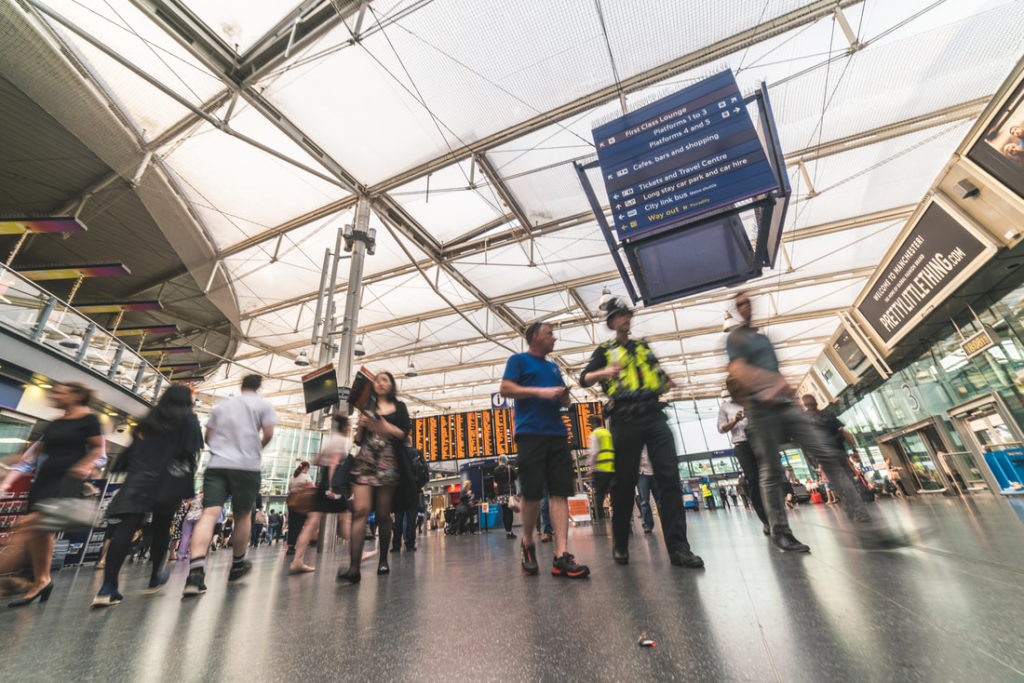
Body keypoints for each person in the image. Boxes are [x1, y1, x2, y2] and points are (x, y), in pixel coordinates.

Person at [727, 292, 901, 551]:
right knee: (771, 472)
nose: (746, 306)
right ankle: (780, 532)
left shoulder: (763, 338)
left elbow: (774, 370)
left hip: (786, 406)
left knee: (829, 456)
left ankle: (866, 524)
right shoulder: (736, 338)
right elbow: (739, 371)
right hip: (761, 410)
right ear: (737, 310)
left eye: (748, 301)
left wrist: (787, 391)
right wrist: (771, 384)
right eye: (740, 304)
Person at [581, 298, 703, 569]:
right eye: (621, 315)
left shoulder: (642, 347)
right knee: (624, 483)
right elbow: (584, 378)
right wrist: (604, 371)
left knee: (669, 478)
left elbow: (657, 374)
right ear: (612, 322)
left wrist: (668, 382)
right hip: (625, 419)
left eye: (628, 314)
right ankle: (621, 543)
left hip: (654, 415)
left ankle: (679, 548)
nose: (627, 318)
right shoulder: (605, 350)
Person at [91, 384, 203, 606]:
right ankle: (155, 577)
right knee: (162, 528)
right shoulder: (188, 419)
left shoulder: (150, 419)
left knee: (126, 528)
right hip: (167, 482)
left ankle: (108, 587)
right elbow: (192, 449)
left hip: (138, 479)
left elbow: (133, 450)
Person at [0, 382, 105, 607]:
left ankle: (15, 580)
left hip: (64, 483)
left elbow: (98, 450)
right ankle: (42, 581)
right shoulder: (56, 423)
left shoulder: (89, 420)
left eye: (60, 392)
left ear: (76, 396)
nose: (54, 395)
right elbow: (33, 453)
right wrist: (9, 478)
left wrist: (85, 465)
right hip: (44, 481)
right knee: (42, 535)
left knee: (25, 527)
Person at [501, 321, 590, 579]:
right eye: (550, 333)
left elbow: (563, 399)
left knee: (560, 492)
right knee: (531, 493)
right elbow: (505, 389)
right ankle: (527, 542)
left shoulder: (553, 367)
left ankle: (561, 556)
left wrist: (563, 397)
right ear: (536, 337)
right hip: (530, 433)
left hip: (557, 434)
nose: (555, 338)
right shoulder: (518, 361)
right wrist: (541, 392)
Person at [183, 374, 277, 596]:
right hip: (246, 466)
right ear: (258, 386)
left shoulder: (223, 405)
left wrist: (224, 449)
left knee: (209, 514)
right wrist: (255, 448)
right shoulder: (263, 405)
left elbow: (209, 437)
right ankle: (237, 564)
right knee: (243, 515)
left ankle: (195, 573)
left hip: (218, 464)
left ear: (241, 385)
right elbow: (269, 433)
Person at [338, 371, 412, 583]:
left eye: (385, 379)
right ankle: (354, 567)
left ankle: (383, 559)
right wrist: (361, 428)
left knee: (382, 515)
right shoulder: (367, 407)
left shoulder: (400, 407)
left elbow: (405, 434)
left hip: (388, 462)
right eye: (377, 380)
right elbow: (359, 441)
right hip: (366, 460)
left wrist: (385, 427)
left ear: (391, 385)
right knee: (360, 511)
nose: (380, 382)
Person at [290, 413, 352, 573]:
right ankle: (357, 553)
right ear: (345, 427)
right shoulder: (340, 441)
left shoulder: (330, 440)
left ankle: (297, 560)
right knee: (345, 518)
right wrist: (332, 487)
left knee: (311, 524)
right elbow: (333, 464)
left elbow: (317, 460)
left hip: (322, 482)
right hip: (332, 483)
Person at [718, 395, 769, 535]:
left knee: (769, 476)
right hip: (742, 445)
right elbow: (721, 429)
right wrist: (735, 420)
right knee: (753, 479)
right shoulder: (726, 407)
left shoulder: (754, 401)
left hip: (760, 442)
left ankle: (776, 514)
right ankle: (765, 520)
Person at [392, 439, 427, 552]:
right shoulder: (417, 453)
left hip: (398, 491)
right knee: (411, 518)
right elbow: (425, 473)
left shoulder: (396, 453)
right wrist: (417, 486)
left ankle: (396, 545)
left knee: (398, 519)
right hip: (413, 490)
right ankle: (410, 544)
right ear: (411, 442)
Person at [585, 415, 615, 520]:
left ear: (594, 424)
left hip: (600, 469)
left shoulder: (594, 435)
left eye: (590, 424)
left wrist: (590, 469)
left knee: (599, 494)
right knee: (614, 493)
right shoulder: (607, 433)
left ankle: (599, 518)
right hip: (612, 467)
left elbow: (593, 452)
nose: (589, 426)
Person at [286, 462, 314, 555]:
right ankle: (301, 545)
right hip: (301, 502)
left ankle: (291, 546)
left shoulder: (293, 477)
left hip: (291, 501)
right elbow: (312, 487)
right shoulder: (306, 477)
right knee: (300, 525)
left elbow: (289, 488)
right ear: (306, 468)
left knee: (292, 525)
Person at [492, 454, 518, 539]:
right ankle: (510, 532)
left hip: (500, 495)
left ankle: (507, 531)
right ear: (505, 460)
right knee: (509, 513)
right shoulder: (509, 468)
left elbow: (496, 481)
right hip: (508, 494)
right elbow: (515, 476)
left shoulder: (495, 470)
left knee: (504, 513)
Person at [635, 448, 657, 533]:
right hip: (642, 473)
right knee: (644, 501)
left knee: (660, 500)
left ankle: (666, 522)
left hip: (655, 471)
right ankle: (647, 525)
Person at [179, 492, 203, 561]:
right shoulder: (205, 497)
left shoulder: (193, 496)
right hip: (199, 517)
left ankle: (181, 555)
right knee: (195, 536)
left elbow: (186, 508)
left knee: (185, 536)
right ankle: (190, 554)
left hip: (189, 517)